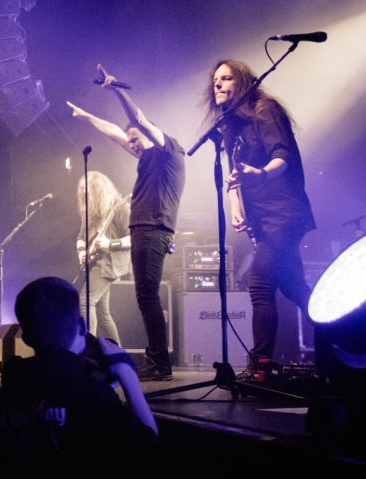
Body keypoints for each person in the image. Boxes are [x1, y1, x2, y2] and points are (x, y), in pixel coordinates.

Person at [0, 277, 158, 479]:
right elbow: (149, 446)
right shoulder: (92, 394)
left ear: (25, 336)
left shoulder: (6, 394)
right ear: (81, 327)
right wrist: (127, 375)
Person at [66, 63, 186, 381]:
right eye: (130, 141)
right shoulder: (146, 157)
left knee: (147, 297)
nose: (130, 143)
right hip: (143, 230)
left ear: (149, 136)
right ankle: (151, 360)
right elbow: (116, 132)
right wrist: (87, 117)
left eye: (136, 139)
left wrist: (117, 88)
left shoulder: (169, 152)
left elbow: (140, 121)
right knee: (144, 296)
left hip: (154, 230)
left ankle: (159, 363)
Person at [206, 59, 315, 376]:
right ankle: (345, 331)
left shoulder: (264, 110)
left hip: (284, 214)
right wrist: (235, 205)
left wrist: (263, 174)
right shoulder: (229, 126)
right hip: (262, 220)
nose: (218, 84)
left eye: (225, 78)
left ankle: (260, 367)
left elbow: (283, 155)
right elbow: (234, 175)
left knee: (260, 285)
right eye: (215, 80)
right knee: (295, 287)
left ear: (242, 82)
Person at [74, 170, 131, 345]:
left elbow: (135, 237)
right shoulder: (89, 212)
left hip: (109, 263)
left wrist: (110, 244)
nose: (82, 194)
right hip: (95, 262)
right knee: (102, 312)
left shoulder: (120, 207)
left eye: (86, 190)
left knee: (85, 302)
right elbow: (80, 238)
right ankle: (118, 354)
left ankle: (87, 349)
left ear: (97, 190)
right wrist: (81, 251)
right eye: (80, 190)